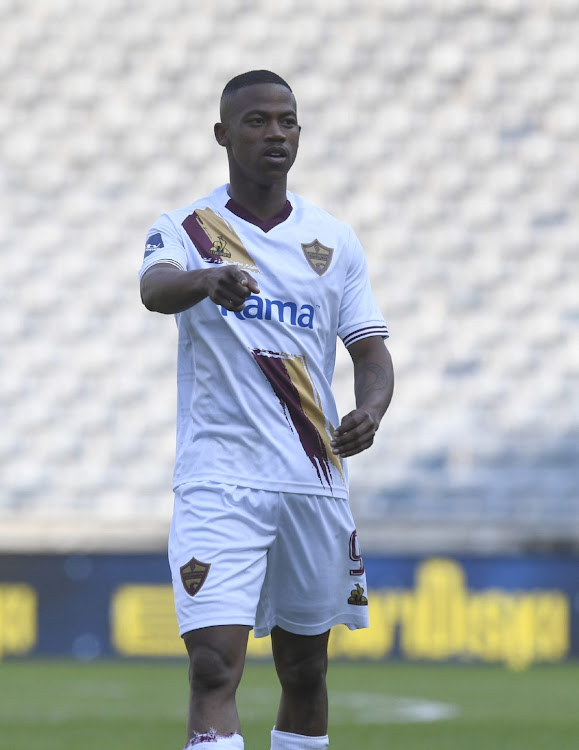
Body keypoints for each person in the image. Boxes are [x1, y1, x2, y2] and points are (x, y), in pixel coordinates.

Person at [139, 70, 394, 750]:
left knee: (306, 671)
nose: (274, 132)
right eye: (256, 121)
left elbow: (370, 351)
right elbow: (155, 289)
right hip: (219, 481)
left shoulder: (333, 240)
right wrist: (205, 279)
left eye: (286, 120)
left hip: (312, 482)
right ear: (222, 134)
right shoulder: (190, 229)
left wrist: (370, 408)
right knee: (213, 665)